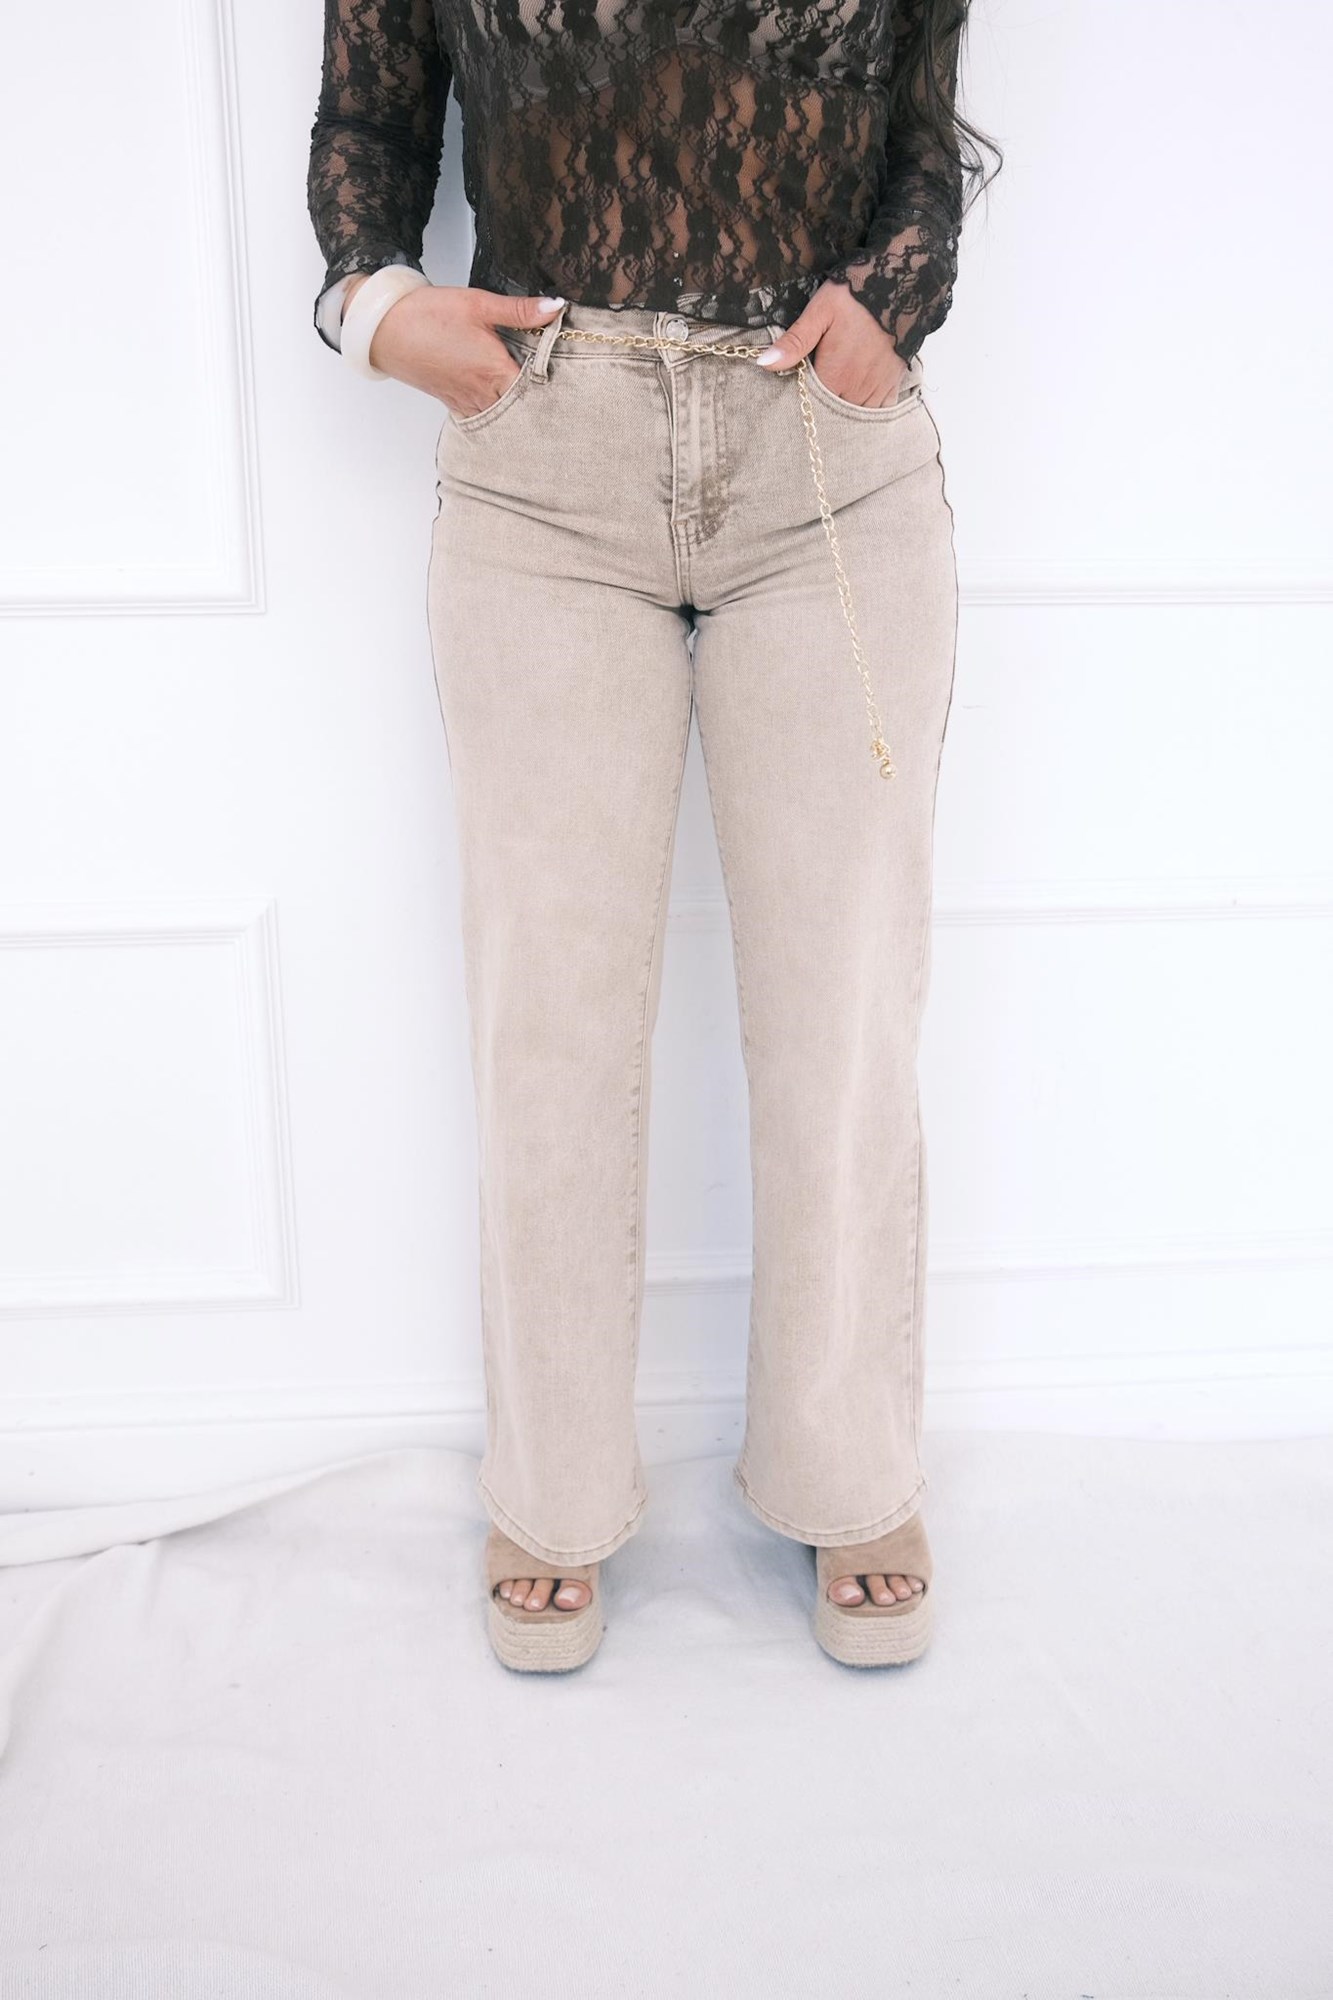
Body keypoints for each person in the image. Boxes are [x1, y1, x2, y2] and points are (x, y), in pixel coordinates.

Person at [307, 0, 1000, 1671]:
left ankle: (848, 1468)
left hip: (823, 460)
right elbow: (368, 127)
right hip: (547, 464)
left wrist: (890, 305)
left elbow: (923, 137)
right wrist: (378, 311)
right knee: (548, 1012)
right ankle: (550, 1492)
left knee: (843, 1003)